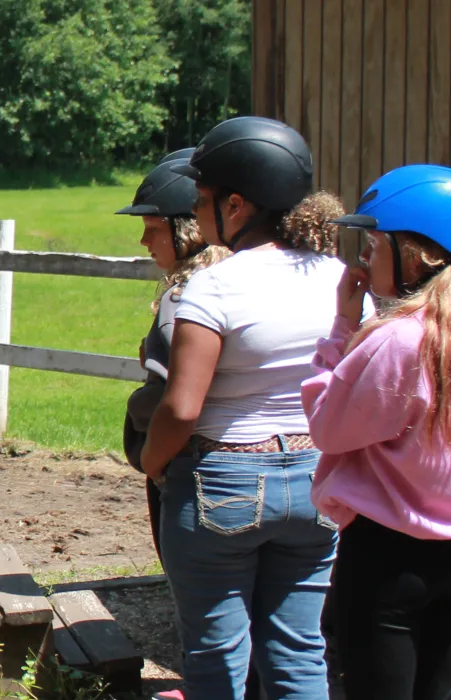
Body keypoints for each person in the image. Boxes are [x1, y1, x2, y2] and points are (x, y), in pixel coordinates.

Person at [303, 165, 451, 700]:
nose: (364, 260)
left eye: (373, 245)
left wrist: (342, 329)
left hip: (388, 556)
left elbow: (329, 426)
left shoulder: (398, 341)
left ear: (417, 254)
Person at [141, 116, 357, 699]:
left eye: (205, 199)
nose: (201, 211)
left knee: (215, 659)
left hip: (223, 479)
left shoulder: (215, 286)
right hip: (316, 478)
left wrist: (153, 463)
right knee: (298, 651)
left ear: (236, 205)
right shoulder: (337, 278)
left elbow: (181, 406)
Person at [117, 147, 229, 556]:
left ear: (186, 231)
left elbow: (170, 397)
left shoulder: (183, 300)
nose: (144, 240)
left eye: (153, 228)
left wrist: (144, 439)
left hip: (189, 465)